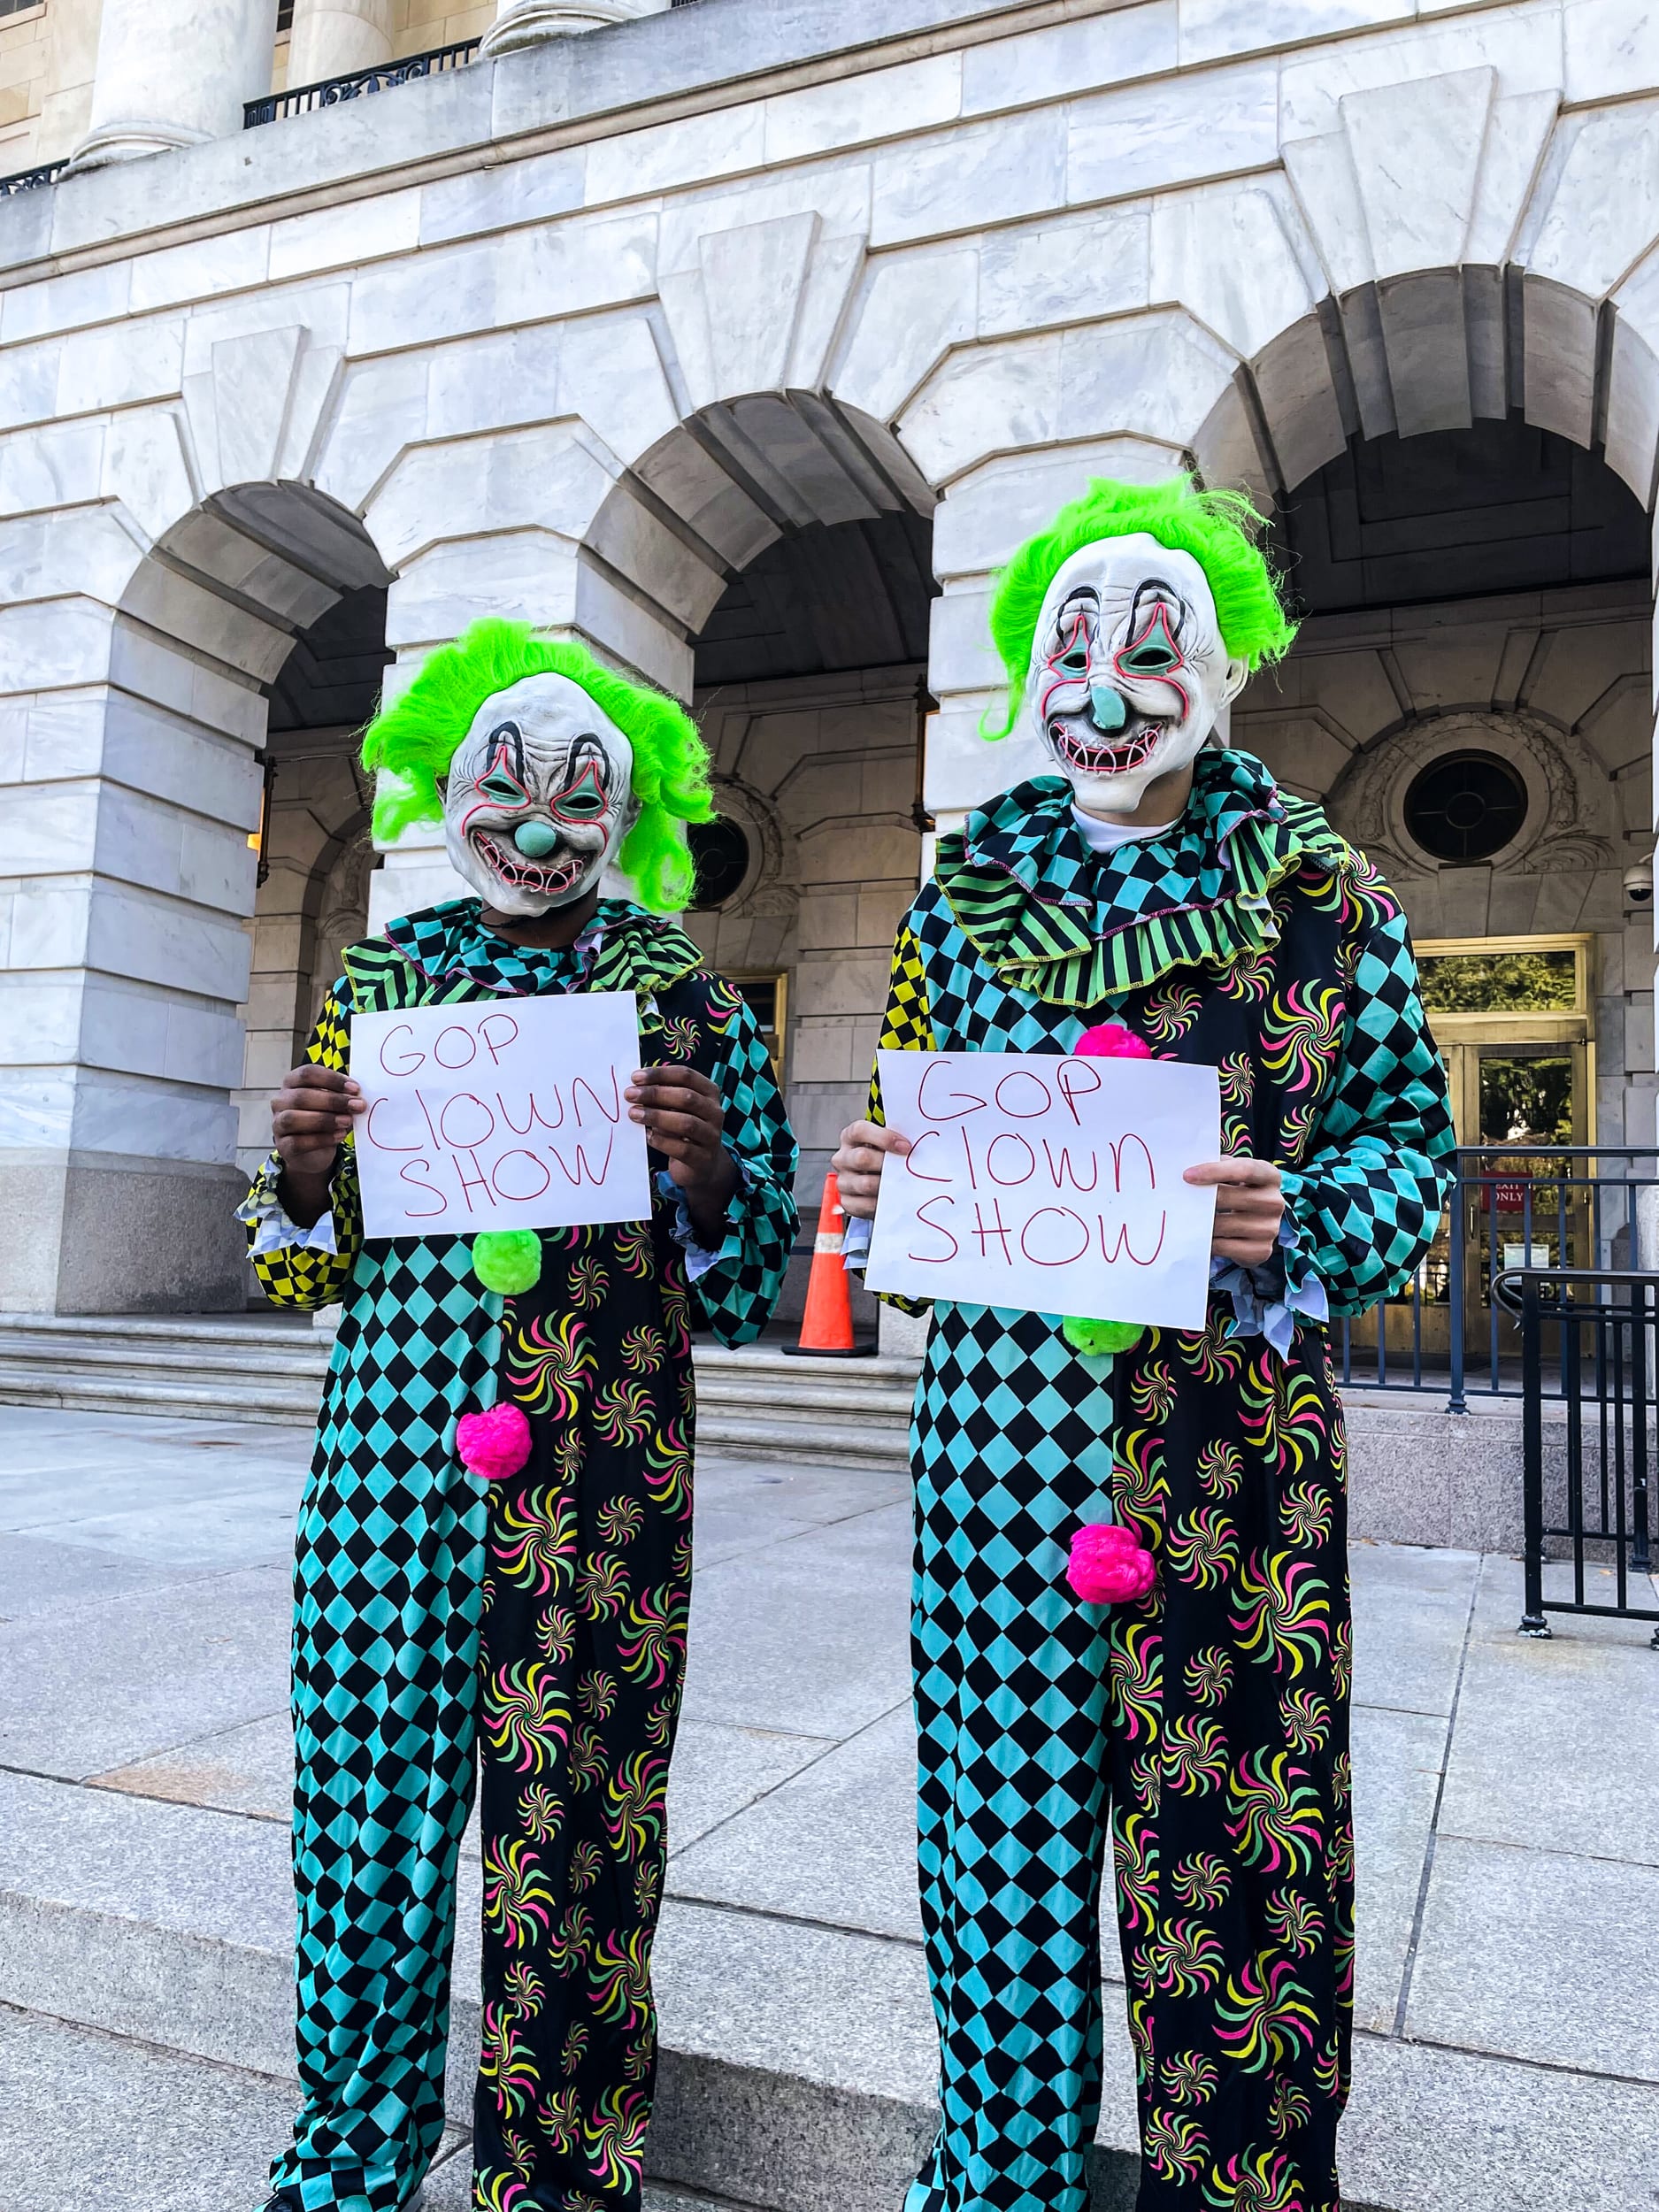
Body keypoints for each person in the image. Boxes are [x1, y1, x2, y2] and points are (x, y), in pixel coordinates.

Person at [832, 477, 1455, 2212]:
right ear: (1028, 668)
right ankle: (1000, 2175)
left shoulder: (1319, 892)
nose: (1107, 686)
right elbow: (891, 1219)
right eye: (1071, 645)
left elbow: (1414, 1159)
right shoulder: (954, 899)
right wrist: (874, 1192)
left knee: (1235, 1867)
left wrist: (1298, 1216)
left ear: (1220, 666)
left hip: (1229, 1469)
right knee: (995, 1863)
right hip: (992, 1467)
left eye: (1150, 642)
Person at [242, 620, 798, 2212]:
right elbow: (304, 1272)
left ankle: (558, 2168)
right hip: (389, 1472)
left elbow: (749, 1272)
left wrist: (701, 1169)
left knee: (583, 1834)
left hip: (603, 1478)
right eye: (510, 788)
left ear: (628, 809)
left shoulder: (681, 990)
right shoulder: (382, 979)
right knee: (363, 1820)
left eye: (580, 796)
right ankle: (352, 2138)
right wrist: (296, 1172)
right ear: (449, 793)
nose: (542, 825)